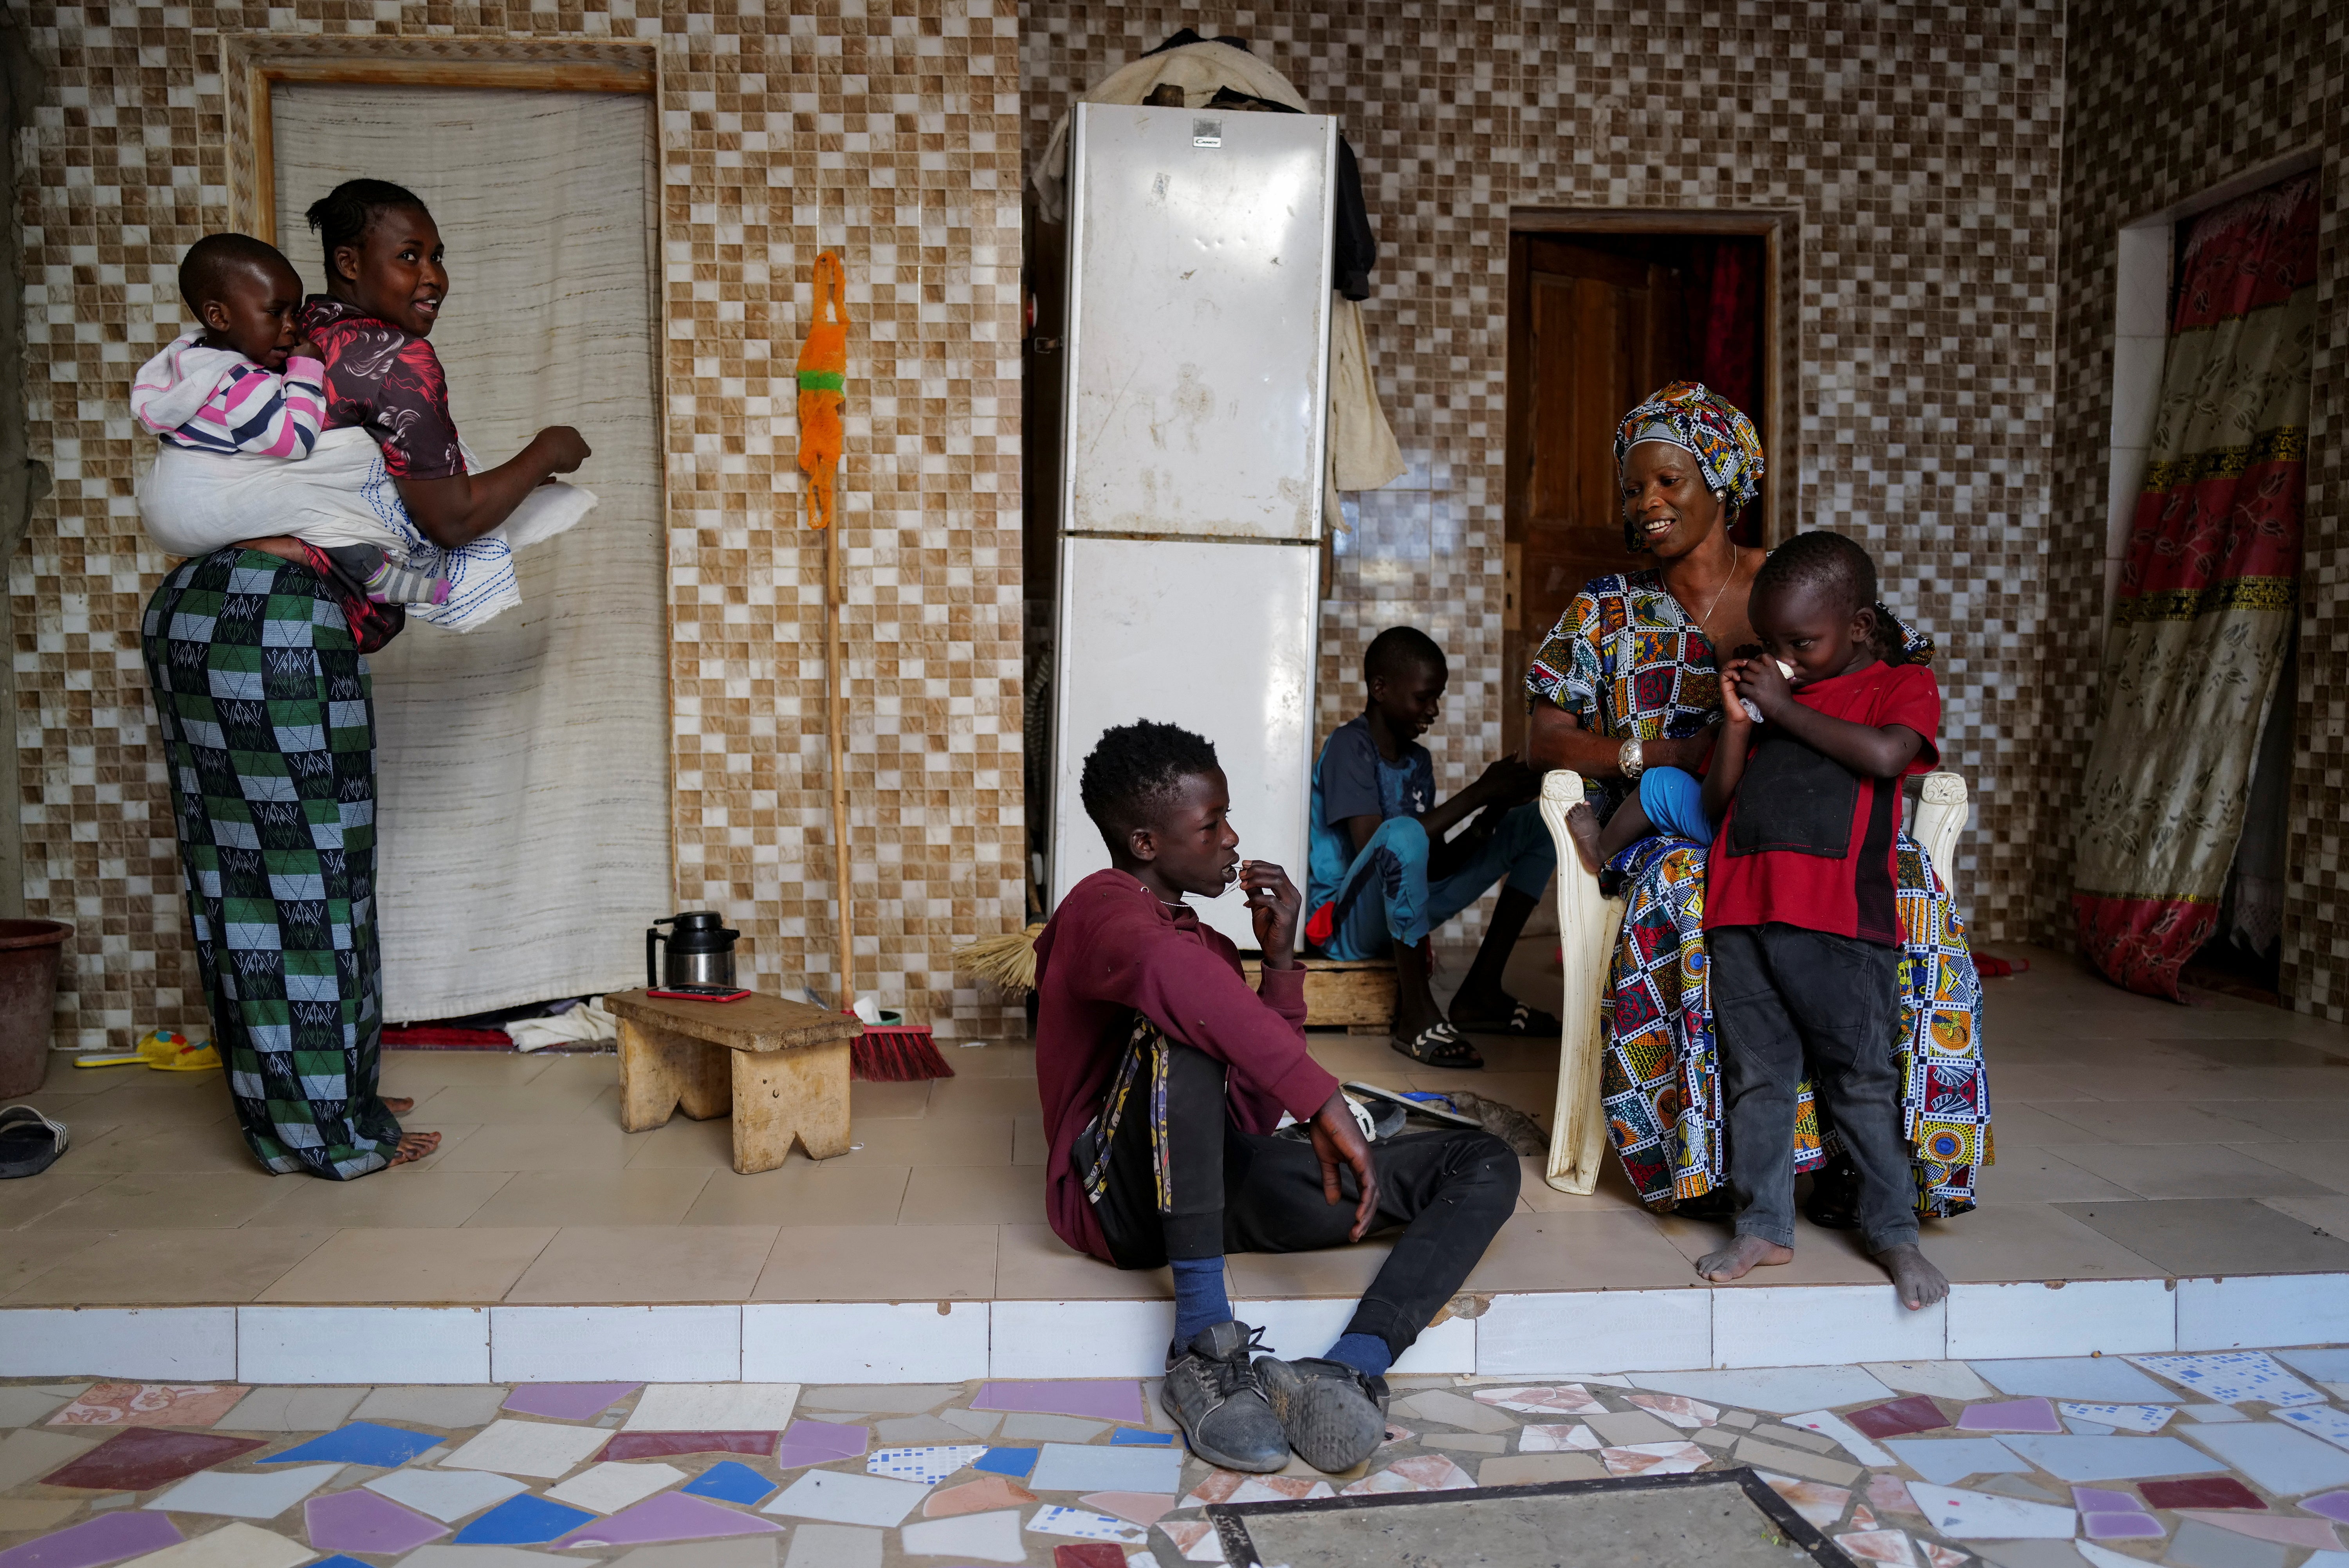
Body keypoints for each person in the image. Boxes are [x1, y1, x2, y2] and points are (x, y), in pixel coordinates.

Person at [139, 178, 589, 1179]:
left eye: (435, 255)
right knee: (312, 884)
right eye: (410, 256)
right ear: (352, 263)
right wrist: (549, 451)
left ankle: (314, 1102)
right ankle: (326, 1135)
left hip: (195, 620)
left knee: (242, 882)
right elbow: (451, 517)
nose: (433, 278)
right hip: (272, 626)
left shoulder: (294, 339)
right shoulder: (385, 352)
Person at [1521, 380, 1989, 1241]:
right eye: (1635, 488)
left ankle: (1880, 1157)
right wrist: (1655, 754)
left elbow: (1893, 690)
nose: (1648, 504)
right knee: (1691, 893)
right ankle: (1704, 1160)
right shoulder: (1607, 608)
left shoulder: (1796, 583)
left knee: (1908, 883)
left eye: (1668, 482)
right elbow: (1543, 737)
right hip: (1690, 818)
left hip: (1817, 812)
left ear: (1724, 480)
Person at [1034, 720, 1519, 1474]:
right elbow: (1172, 982)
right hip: (1114, 1201)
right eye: (1211, 823)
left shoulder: (1212, 951)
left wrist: (1283, 961)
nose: (1233, 838)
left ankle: (1353, 1365)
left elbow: (1251, 1115)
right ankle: (1202, 1342)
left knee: (1481, 1160)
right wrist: (1323, 1102)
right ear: (1145, 845)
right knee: (1186, 1022)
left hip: (1208, 1187)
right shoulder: (1100, 909)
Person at [1695, 532, 1949, 1309]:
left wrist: (1782, 706)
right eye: (1773, 644)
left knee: (1861, 1082)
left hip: (1839, 925)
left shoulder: (1898, 686)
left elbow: (1883, 757)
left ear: (1862, 627)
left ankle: (1894, 1232)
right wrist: (1741, 721)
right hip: (1742, 910)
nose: (1786, 659)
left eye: (1802, 642)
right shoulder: (1771, 697)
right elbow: (1716, 804)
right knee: (1758, 1078)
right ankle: (1765, 1223)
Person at [131, 233, 449, 608]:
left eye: (295, 313)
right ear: (218, 316)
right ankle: (376, 575)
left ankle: (284, 548)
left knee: (304, 495)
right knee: (319, 498)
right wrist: (306, 369)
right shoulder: (234, 384)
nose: (292, 328)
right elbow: (295, 440)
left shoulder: (195, 357)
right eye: (275, 313)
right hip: (189, 511)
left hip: (168, 507)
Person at [1303, 627, 1558, 1069]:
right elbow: (1377, 850)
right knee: (1401, 834)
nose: (1433, 710)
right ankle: (1416, 1015)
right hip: (1348, 925)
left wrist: (1492, 811)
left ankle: (1480, 992)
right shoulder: (1349, 747)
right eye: (1424, 698)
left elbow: (1433, 864)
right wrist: (1479, 790)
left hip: (1404, 906)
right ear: (1380, 689)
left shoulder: (1418, 762)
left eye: (1437, 697)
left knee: (1535, 824)